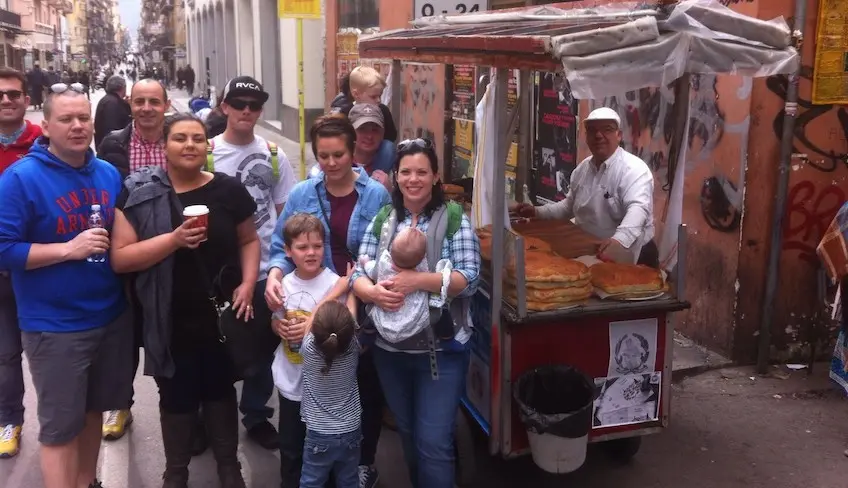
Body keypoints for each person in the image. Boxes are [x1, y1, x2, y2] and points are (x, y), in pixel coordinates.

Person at [110, 113, 259, 488]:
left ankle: (230, 468)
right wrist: (174, 241)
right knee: (175, 394)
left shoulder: (228, 190)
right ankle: (175, 472)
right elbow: (121, 257)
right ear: (164, 146)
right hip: (166, 318)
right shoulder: (139, 191)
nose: (189, 145)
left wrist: (247, 284)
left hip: (220, 317)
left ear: (208, 146)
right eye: (179, 138)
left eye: (196, 138)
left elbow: (249, 240)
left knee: (221, 389)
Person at [0, 83, 132, 488]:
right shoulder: (19, 179)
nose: (77, 126)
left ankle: (88, 481)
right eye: (66, 119)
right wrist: (67, 250)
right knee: (59, 429)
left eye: (83, 118)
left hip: (108, 318)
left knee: (93, 413)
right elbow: (5, 251)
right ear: (46, 126)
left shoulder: (107, 174)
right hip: (54, 326)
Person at [266, 115, 389, 488]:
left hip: (361, 305)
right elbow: (280, 246)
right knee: (309, 388)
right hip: (310, 295)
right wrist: (273, 275)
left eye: (339, 155)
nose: (331, 163)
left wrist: (355, 288)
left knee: (360, 389)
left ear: (354, 153)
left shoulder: (376, 195)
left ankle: (360, 464)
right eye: (323, 156)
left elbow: (382, 256)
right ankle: (309, 468)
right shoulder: (304, 192)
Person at [351, 138, 481, 488]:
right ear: (395, 176)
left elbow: (469, 279)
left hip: (440, 353)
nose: (413, 179)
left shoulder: (454, 220)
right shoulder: (384, 218)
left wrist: (415, 281)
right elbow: (358, 273)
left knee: (433, 442)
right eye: (405, 171)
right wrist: (372, 291)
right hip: (390, 354)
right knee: (408, 433)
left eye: (422, 171)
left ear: (435, 176)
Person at [207, 75, 296, 449]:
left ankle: (256, 415)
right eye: (239, 103)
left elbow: (285, 216)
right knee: (213, 350)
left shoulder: (275, 155)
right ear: (224, 106)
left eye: (254, 105)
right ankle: (208, 418)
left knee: (261, 350)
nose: (247, 111)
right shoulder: (206, 151)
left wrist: (285, 267)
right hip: (215, 273)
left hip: (263, 272)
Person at [95, 78, 172, 443]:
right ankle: (119, 406)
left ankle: (177, 407)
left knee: (168, 333)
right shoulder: (114, 142)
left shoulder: (179, 137)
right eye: (139, 101)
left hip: (170, 246)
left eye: (153, 101)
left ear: (166, 104)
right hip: (126, 244)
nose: (146, 108)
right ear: (129, 103)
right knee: (124, 335)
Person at [270, 213, 354, 487]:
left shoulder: (332, 284)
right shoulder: (284, 285)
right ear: (288, 251)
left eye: (317, 246)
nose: (311, 253)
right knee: (291, 449)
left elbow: (343, 329)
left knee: (322, 455)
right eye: (302, 247)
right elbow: (276, 318)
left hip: (322, 390)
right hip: (290, 382)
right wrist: (278, 327)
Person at [512, 107, 656, 265]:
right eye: (592, 130)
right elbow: (568, 207)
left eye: (607, 129)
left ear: (619, 135)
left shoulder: (634, 169)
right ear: (586, 136)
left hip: (631, 253)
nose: (598, 136)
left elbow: (638, 210)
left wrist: (619, 240)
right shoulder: (582, 169)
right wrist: (537, 212)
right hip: (588, 247)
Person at [0, 68, 42, 459]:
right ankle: (8, 420)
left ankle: (63, 421)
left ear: (26, 100)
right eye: (2, 95)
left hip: (42, 269)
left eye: (14, 94)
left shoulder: (43, 143)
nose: (7, 100)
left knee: (51, 348)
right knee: (5, 354)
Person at [299, 301, 361, 488]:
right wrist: (350, 287)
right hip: (351, 429)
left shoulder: (308, 348)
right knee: (349, 480)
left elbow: (311, 321)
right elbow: (352, 315)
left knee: (311, 481)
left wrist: (330, 294)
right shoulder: (353, 347)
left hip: (319, 433)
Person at [359, 226, 454, 343]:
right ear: (423, 256)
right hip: (413, 319)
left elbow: (371, 270)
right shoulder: (423, 269)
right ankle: (444, 327)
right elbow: (444, 280)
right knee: (438, 297)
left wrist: (365, 262)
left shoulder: (383, 265)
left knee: (371, 310)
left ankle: (370, 326)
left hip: (385, 317)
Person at [338, 66, 397, 142]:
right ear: (356, 94)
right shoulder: (345, 113)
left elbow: (391, 135)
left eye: (380, 96)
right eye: (373, 97)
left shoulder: (383, 110)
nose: (378, 100)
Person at [94, 75, 131, 148]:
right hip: (112, 149)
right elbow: (112, 129)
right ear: (123, 88)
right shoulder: (112, 103)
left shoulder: (109, 100)